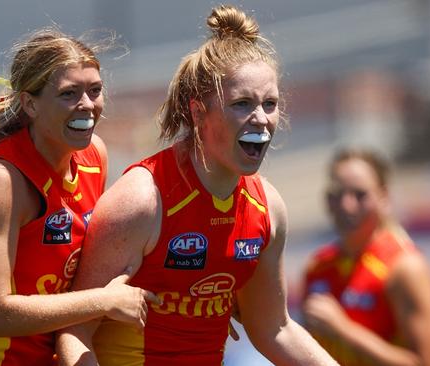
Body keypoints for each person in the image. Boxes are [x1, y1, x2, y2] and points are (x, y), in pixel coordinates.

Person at [57, 5, 338, 365]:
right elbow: (73, 331)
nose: (262, 119)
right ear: (198, 112)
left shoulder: (268, 207)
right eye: (242, 103)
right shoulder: (143, 201)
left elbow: (274, 329)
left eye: (270, 103)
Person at [0, 28, 159, 365]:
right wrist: (104, 300)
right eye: (69, 93)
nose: (87, 105)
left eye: (95, 90)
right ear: (30, 103)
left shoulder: (94, 156)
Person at [302, 148, 430, 365]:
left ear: (383, 197)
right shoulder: (318, 266)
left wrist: (345, 330)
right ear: (327, 201)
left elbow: (426, 363)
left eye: (360, 194)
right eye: (338, 195)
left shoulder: (405, 267)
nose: (347, 206)